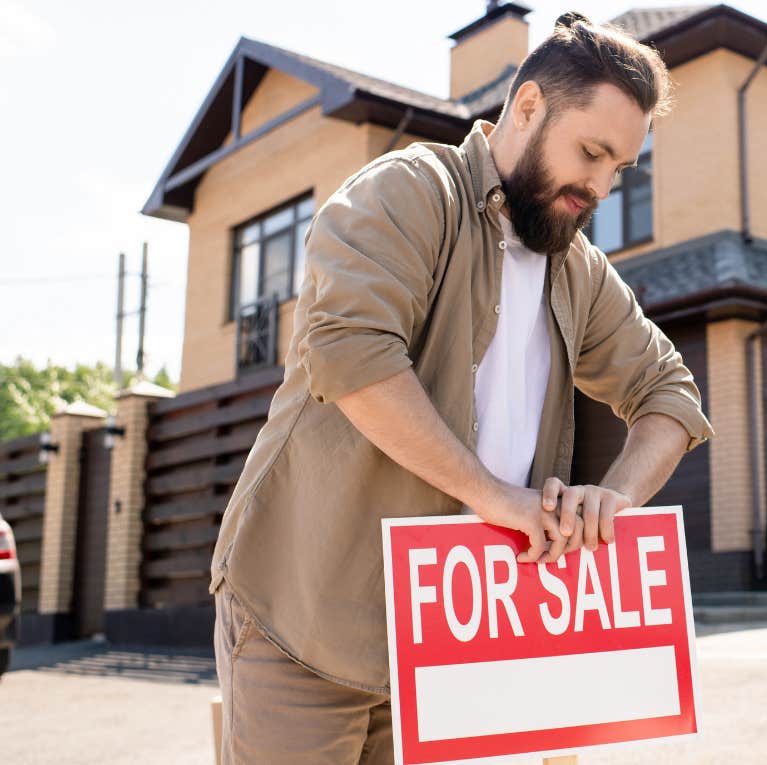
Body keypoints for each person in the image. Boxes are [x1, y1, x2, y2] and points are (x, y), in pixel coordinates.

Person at [208, 14, 713, 763]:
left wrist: (619, 499)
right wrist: (493, 495)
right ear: (530, 106)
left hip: (444, 649)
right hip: (305, 618)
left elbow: (670, 393)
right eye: (592, 152)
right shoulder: (409, 191)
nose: (602, 185)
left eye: (621, 169)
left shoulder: (576, 269)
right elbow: (349, 352)